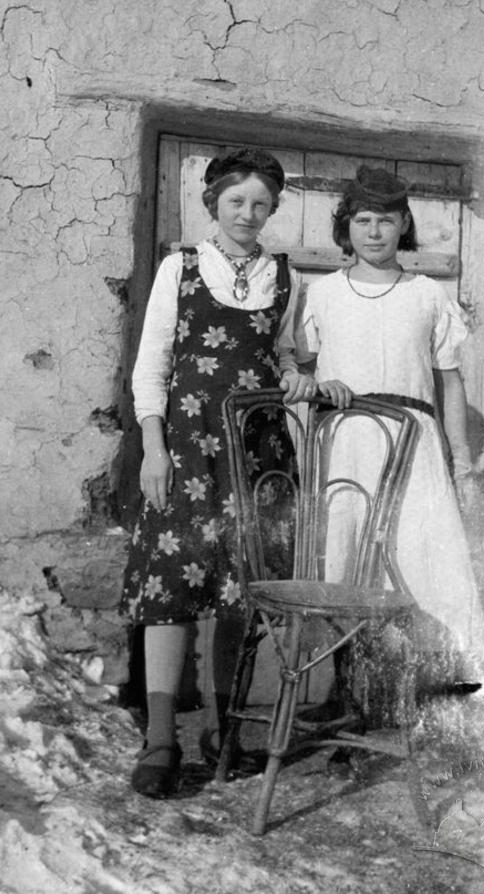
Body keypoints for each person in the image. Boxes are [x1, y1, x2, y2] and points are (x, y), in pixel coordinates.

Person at [122, 147, 314, 798]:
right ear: (213, 204)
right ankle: (160, 739)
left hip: (258, 452)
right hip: (186, 446)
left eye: (261, 204)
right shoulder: (179, 269)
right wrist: (153, 448)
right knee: (172, 585)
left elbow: (283, 354)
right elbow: (151, 367)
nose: (248, 214)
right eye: (236, 202)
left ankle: (223, 732)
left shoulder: (285, 277)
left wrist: (293, 375)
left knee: (243, 588)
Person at [301, 166, 484, 690]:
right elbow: (299, 370)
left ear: (403, 225)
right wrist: (317, 388)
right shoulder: (323, 294)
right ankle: (346, 689)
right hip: (348, 441)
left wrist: (462, 460)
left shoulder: (426, 295)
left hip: (415, 445)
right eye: (363, 220)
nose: (375, 232)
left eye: (386, 220)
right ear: (347, 226)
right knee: (346, 553)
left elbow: (450, 383)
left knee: (423, 555)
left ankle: (425, 684)